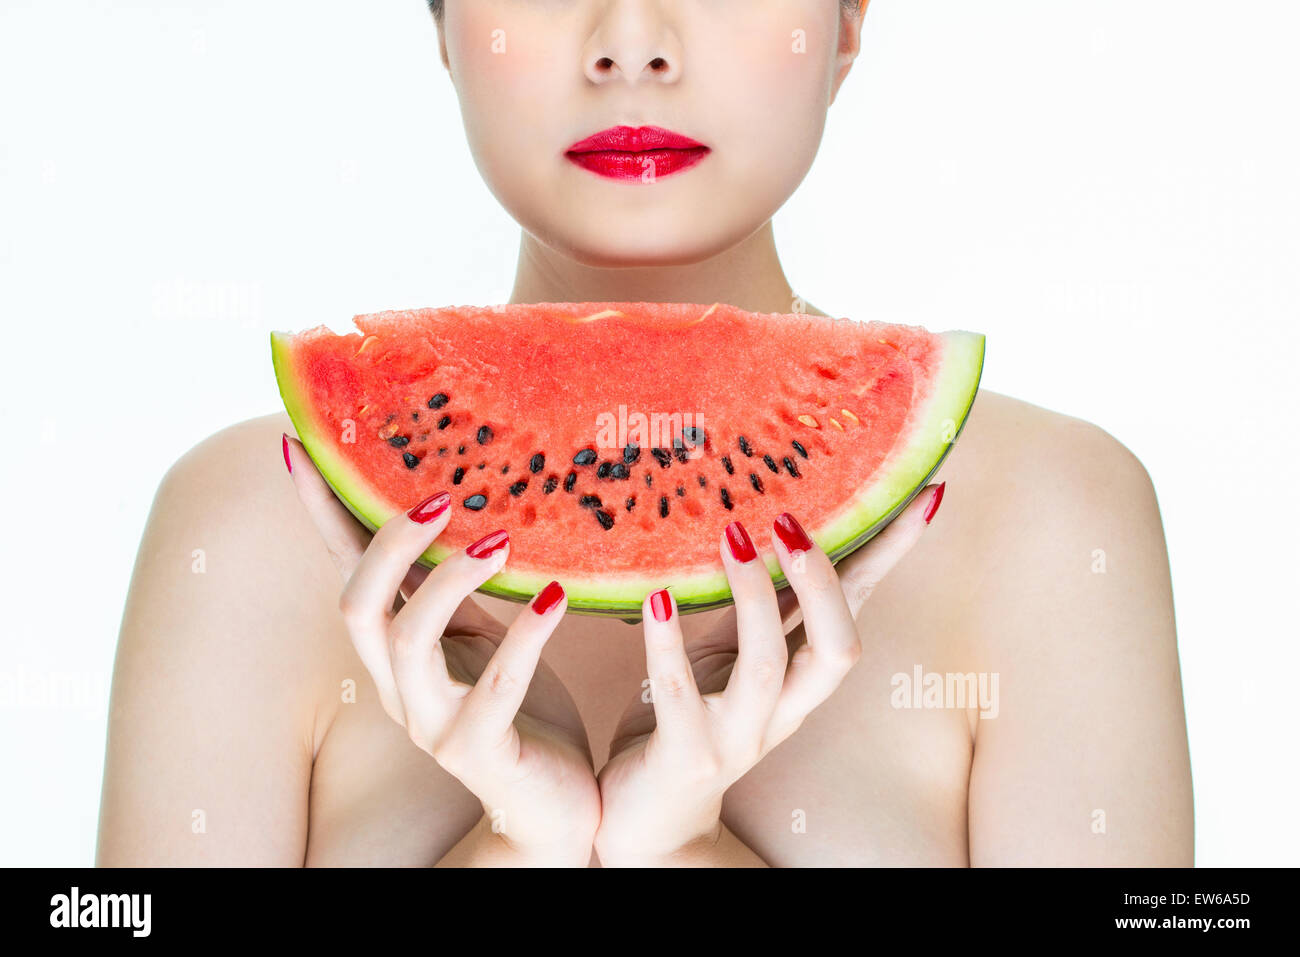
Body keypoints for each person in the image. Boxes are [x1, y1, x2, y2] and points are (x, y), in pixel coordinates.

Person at [96, 0, 1193, 866]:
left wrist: (675, 847)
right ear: (441, 27)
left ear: (847, 22)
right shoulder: (240, 527)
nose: (632, 42)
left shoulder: (1057, 520)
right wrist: (520, 843)